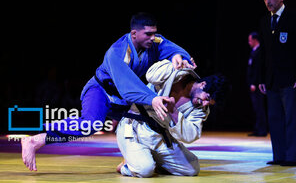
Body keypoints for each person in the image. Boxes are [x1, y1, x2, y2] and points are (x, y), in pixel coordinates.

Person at [21, 12, 195, 171]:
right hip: (101, 91)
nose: (153, 37)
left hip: (121, 98)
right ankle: (35, 140)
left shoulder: (154, 42)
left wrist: (179, 58)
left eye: (154, 33)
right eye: (148, 34)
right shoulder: (117, 52)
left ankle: (133, 160)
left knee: (147, 123)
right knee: (90, 124)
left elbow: (174, 49)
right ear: (134, 34)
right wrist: (152, 99)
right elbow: (128, 87)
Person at [116, 59, 222, 177]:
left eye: (209, 104)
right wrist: (174, 66)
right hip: (134, 127)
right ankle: (127, 166)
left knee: (192, 169)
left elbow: (191, 135)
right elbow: (151, 75)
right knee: (145, 170)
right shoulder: (178, 73)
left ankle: (151, 160)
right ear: (203, 85)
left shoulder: (200, 108)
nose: (205, 104)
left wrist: (174, 112)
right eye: (207, 98)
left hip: (160, 137)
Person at [258, 0, 296, 166]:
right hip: (272, 80)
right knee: (275, 120)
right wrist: (261, 79)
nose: (267, 1)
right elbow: (263, 53)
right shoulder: (265, 21)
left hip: (291, 80)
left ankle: (291, 157)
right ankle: (279, 155)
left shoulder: (295, 18)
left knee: (291, 119)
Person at [247, 32, 267, 137]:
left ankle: (262, 130)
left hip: (257, 85)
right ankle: (257, 128)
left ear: (255, 40)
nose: (249, 42)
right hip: (253, 84)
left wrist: (254, 83)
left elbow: (258, 70)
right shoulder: (254, 52)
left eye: (250, 40)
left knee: (259, 108)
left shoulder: (259, 52)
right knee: (256, 108)